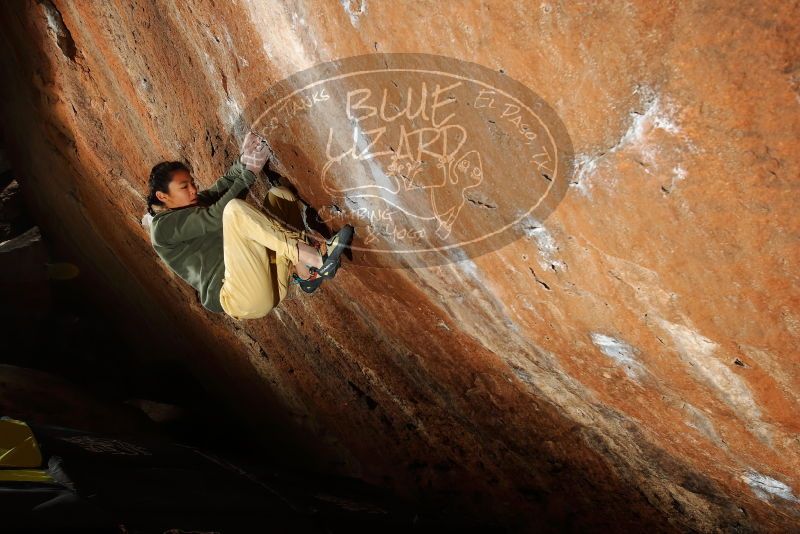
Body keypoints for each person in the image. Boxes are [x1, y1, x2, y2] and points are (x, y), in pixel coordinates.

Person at [146, 132, 353, 320]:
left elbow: (223, 187)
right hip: (240, 297)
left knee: (281, 197)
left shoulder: (191, 204)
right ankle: (317, 259)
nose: (193, 189)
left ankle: (305, 274)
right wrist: (250, 172)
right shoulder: (162, 229)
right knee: (234, 210)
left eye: (192, 182)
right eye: (184, 187)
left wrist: (243, 160)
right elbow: (218, 215)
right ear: (163, 196)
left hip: (269, 281)